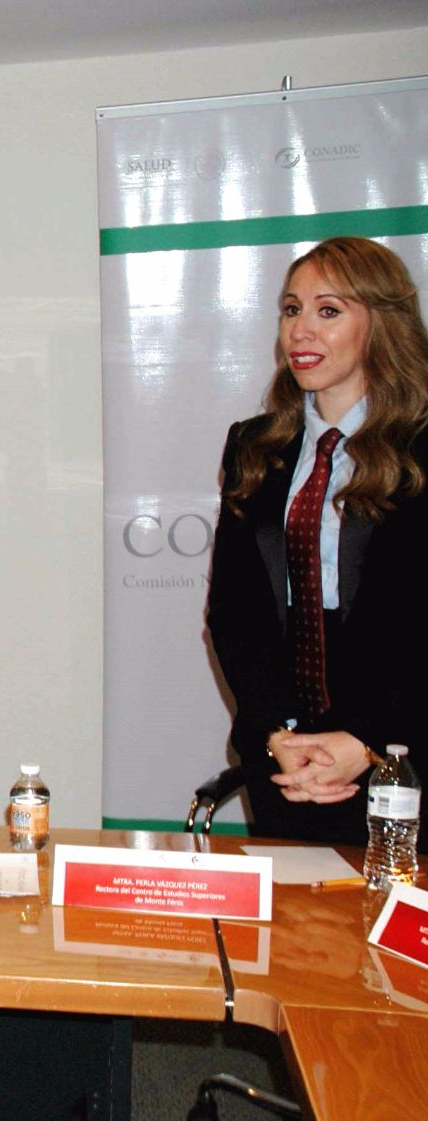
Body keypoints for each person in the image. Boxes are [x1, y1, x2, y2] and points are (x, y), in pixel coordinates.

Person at [207, 236, 428, 848]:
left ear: (380, 324)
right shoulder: (255, 446)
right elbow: (233, 614)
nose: (301, 331)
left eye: (328, 311)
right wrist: (277, 734)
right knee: (295, 934)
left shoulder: (421, 445)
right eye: (290, 310)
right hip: (286, 756)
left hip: (405, 745)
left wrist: (368, 743)